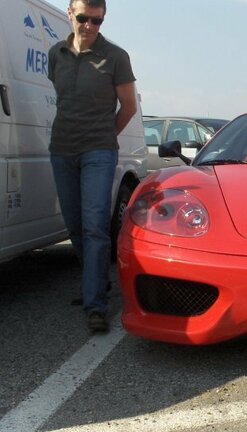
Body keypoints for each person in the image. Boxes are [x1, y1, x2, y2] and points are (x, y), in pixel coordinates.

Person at [48, 0, 137, 332]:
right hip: (62, 149)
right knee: (74, 225)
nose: (89, 26)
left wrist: (104, 135)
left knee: (95, 226)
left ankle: (95, 304)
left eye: (97, 21)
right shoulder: (56, 54)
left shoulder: (115, 57)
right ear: (70, 13)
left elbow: (127, 106)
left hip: (98, 151)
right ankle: (95, 282)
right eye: (83, 18)